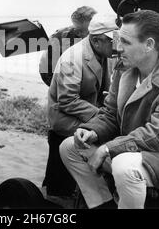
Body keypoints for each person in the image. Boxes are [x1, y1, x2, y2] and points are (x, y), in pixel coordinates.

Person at [59, 10, 159, 209]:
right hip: (135, 148)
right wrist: (92, 130)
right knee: (70, 147)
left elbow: (156, 137)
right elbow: (111, 112)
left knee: (125, 167)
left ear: (149, 45)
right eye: (118, 40)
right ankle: (103, 205)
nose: (118, 48)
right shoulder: (125, 67)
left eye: (126, 43)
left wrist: (108, 148)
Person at [43, 14, 118, 199]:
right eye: (112, 40)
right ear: (95, 40)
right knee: (102, 135)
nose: (117, 45)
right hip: (65, 116)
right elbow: (67, 100)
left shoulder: (105, 53)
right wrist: (101, 116)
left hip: (85, 111)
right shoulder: (72, 58)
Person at [39, 6, 97, 86]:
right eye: (78, 30)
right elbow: (46, 69)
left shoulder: (102, 33)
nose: (79, 33)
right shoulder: (60, 38)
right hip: (54, 74)